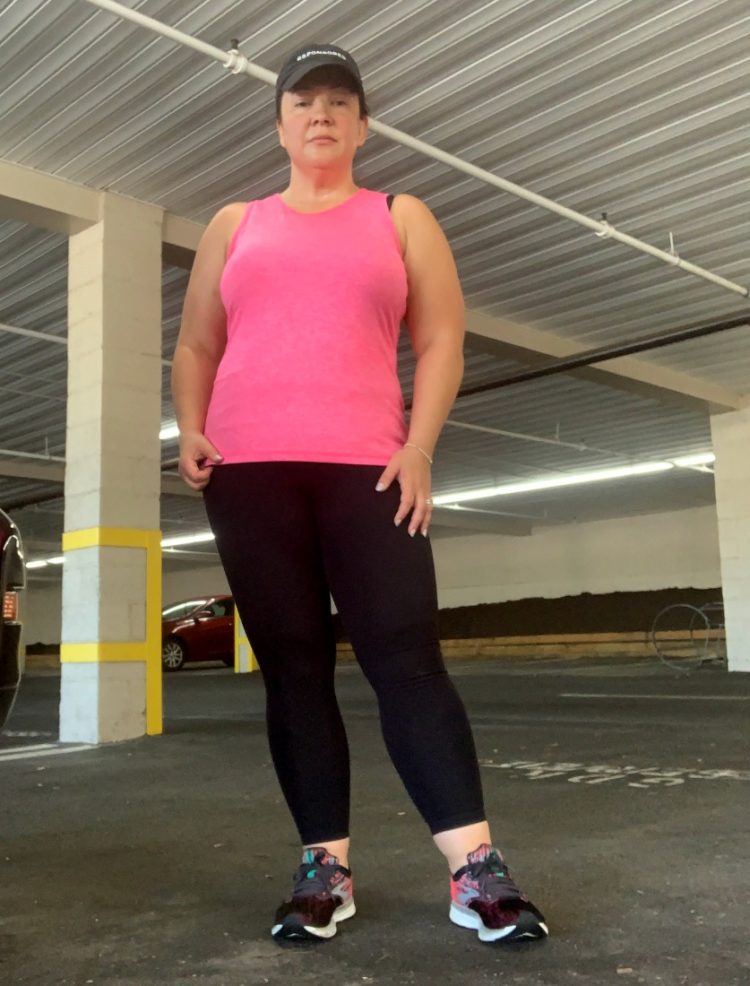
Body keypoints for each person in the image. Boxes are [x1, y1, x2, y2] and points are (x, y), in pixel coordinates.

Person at [172, 42, 548, 946]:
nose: (322, 113)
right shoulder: (235, 222)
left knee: (407, 662)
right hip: (250, 474)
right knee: (295, 670)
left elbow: (444, 337)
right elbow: (195, 345)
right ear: (279, 124)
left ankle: (475, 874)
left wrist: (419, 446)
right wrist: (190, 425)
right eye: (304, 101)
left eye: (341, 101)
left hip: (369, 470)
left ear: (364, 125)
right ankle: (323, 872)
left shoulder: (399, 213)